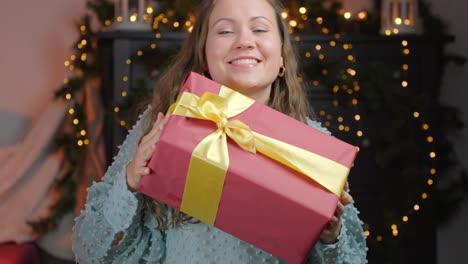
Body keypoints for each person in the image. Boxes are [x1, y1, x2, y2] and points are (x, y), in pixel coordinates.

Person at [72, 0, 367, 263]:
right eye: (225, 31)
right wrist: (130, 181)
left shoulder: (313, 149)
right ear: (203, 56)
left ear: (282, 60)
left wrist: (331, 236)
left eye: (260, 29)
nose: (244, 41)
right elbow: (90, 252)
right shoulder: (162, 123)